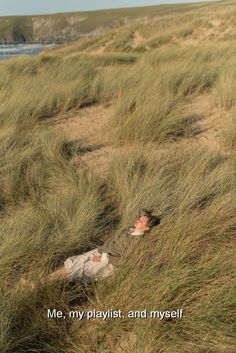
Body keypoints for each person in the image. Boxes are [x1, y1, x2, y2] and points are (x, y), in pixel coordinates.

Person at [20, 209, 160, 289]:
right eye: (139, 218)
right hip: (101, 251)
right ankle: (40, 281)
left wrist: (104, 257)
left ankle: (38, 284)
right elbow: (112, 240)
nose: (137, 220)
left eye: (141, 221)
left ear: (147, 228)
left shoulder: (137, 241)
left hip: (108, 262)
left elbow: (124, 259)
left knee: (75, 270)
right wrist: (100, 251)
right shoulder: (129, 229)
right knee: (74, 263)